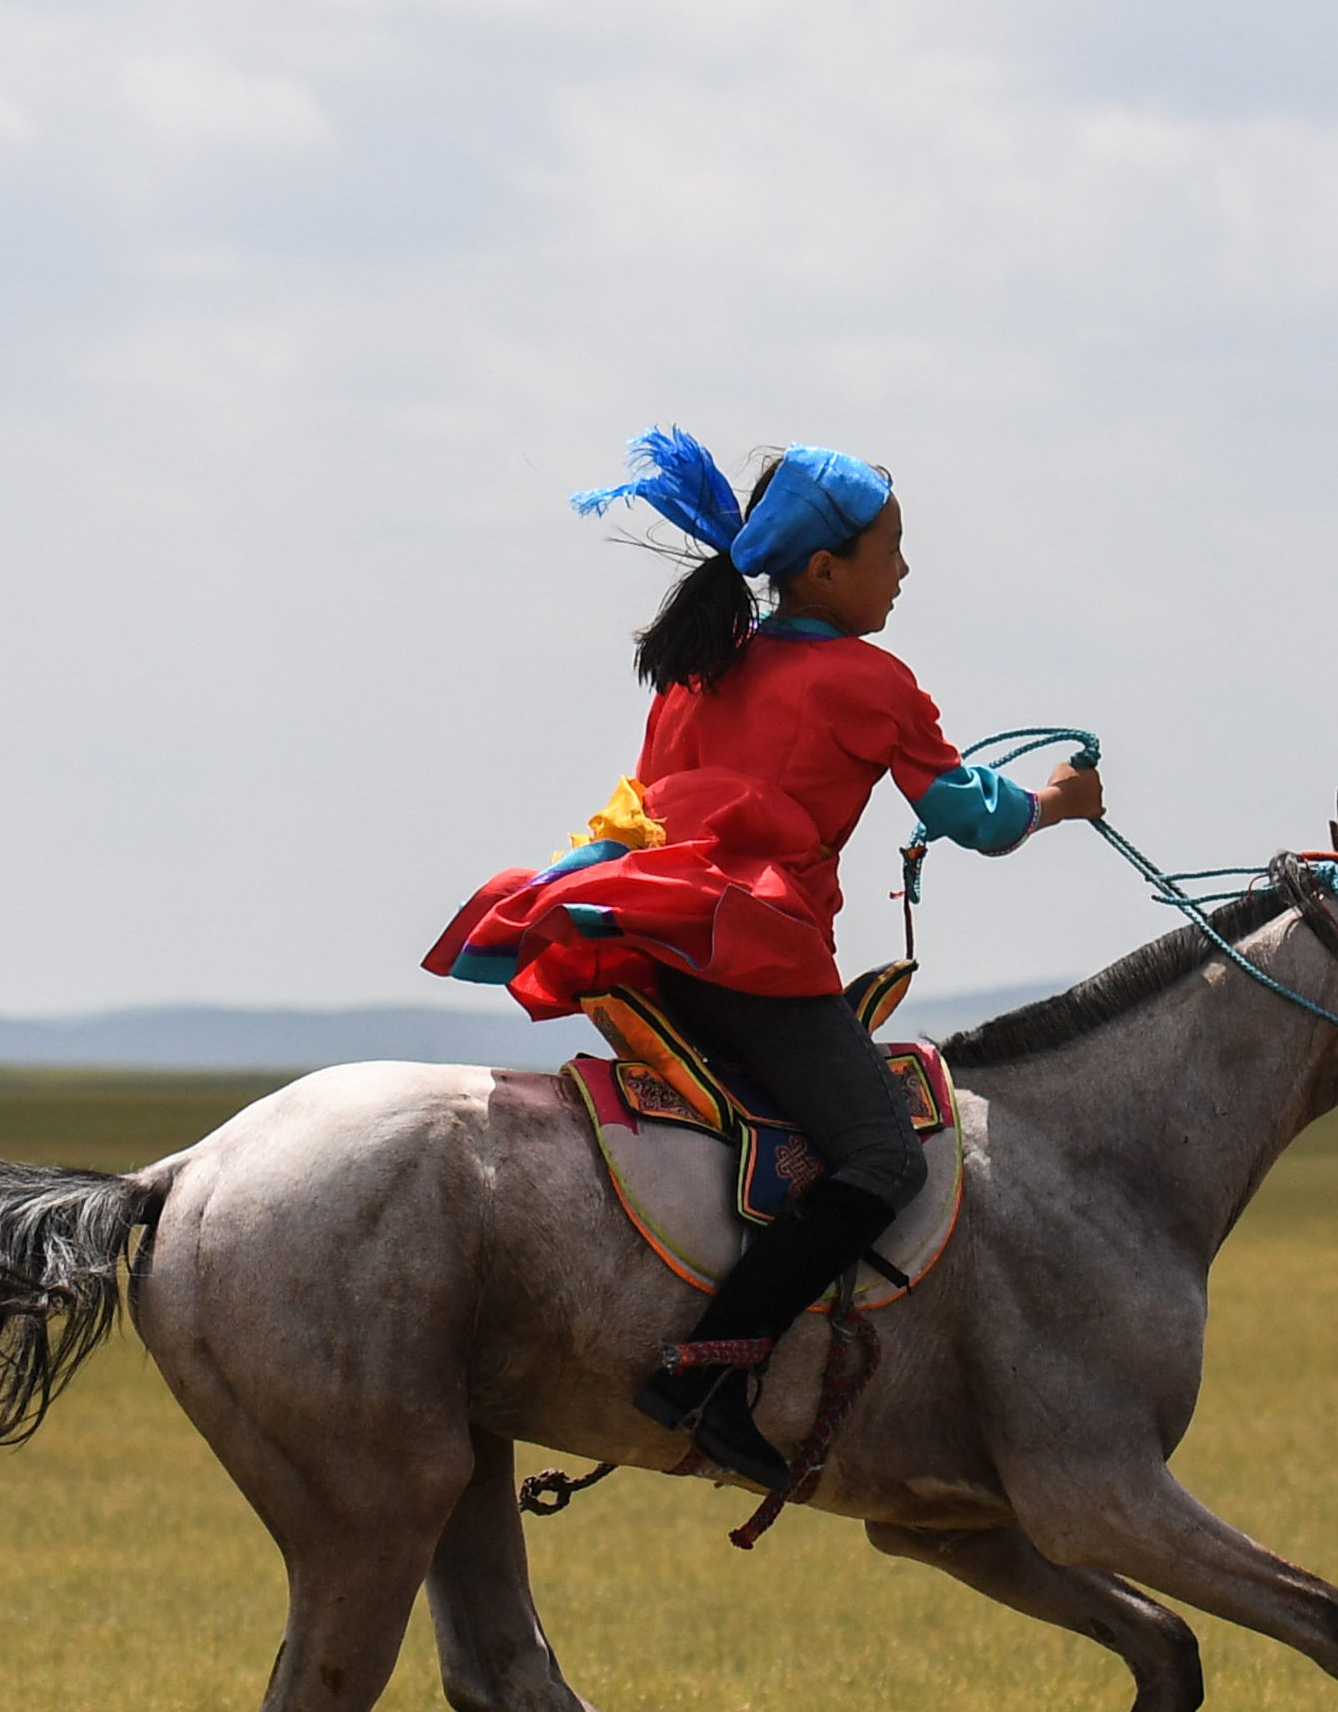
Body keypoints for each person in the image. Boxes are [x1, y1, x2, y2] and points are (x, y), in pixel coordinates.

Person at [425, 428, 1104, 1490]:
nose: (905, 570)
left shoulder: (701, 668)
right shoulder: (869, 680)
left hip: (656, 944)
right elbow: (972, 815)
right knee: (881, 1158)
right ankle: (709, 1372)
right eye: (890, 549)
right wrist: (1060, 800)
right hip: (752, 956)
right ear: (824, 569)